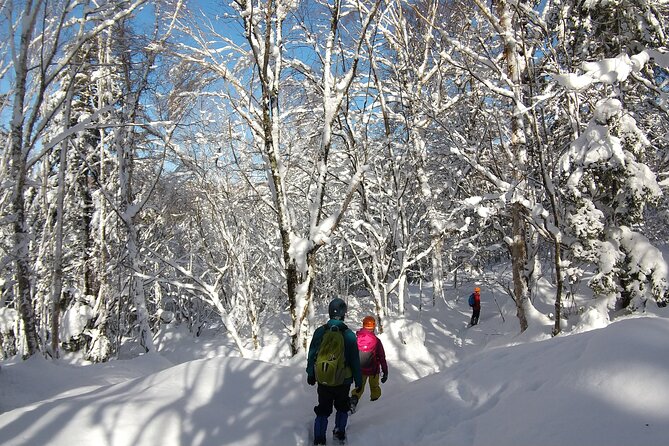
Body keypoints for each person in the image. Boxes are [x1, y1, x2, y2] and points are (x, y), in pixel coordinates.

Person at [306, 298, 362, 445]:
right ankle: (339, 433)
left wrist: (311, 373)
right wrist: (359, 380)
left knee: (323, 409)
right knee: (342, 407)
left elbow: (312, 355)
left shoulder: (320, 331)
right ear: (344, 314)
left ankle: (319, 439)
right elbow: (354, 360)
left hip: (324, 378)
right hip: (343, 380)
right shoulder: (348, 334)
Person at [350, 316, 388, 412]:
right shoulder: (376, 341)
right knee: (374, 387)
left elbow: (352, 355)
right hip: (373, 370)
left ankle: (352, 403)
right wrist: (385, 371)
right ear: (374, 326)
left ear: (363, 325)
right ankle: (375, 407)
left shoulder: (357, 338)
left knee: (359, 388)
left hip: (360, 369)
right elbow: (382, 357)